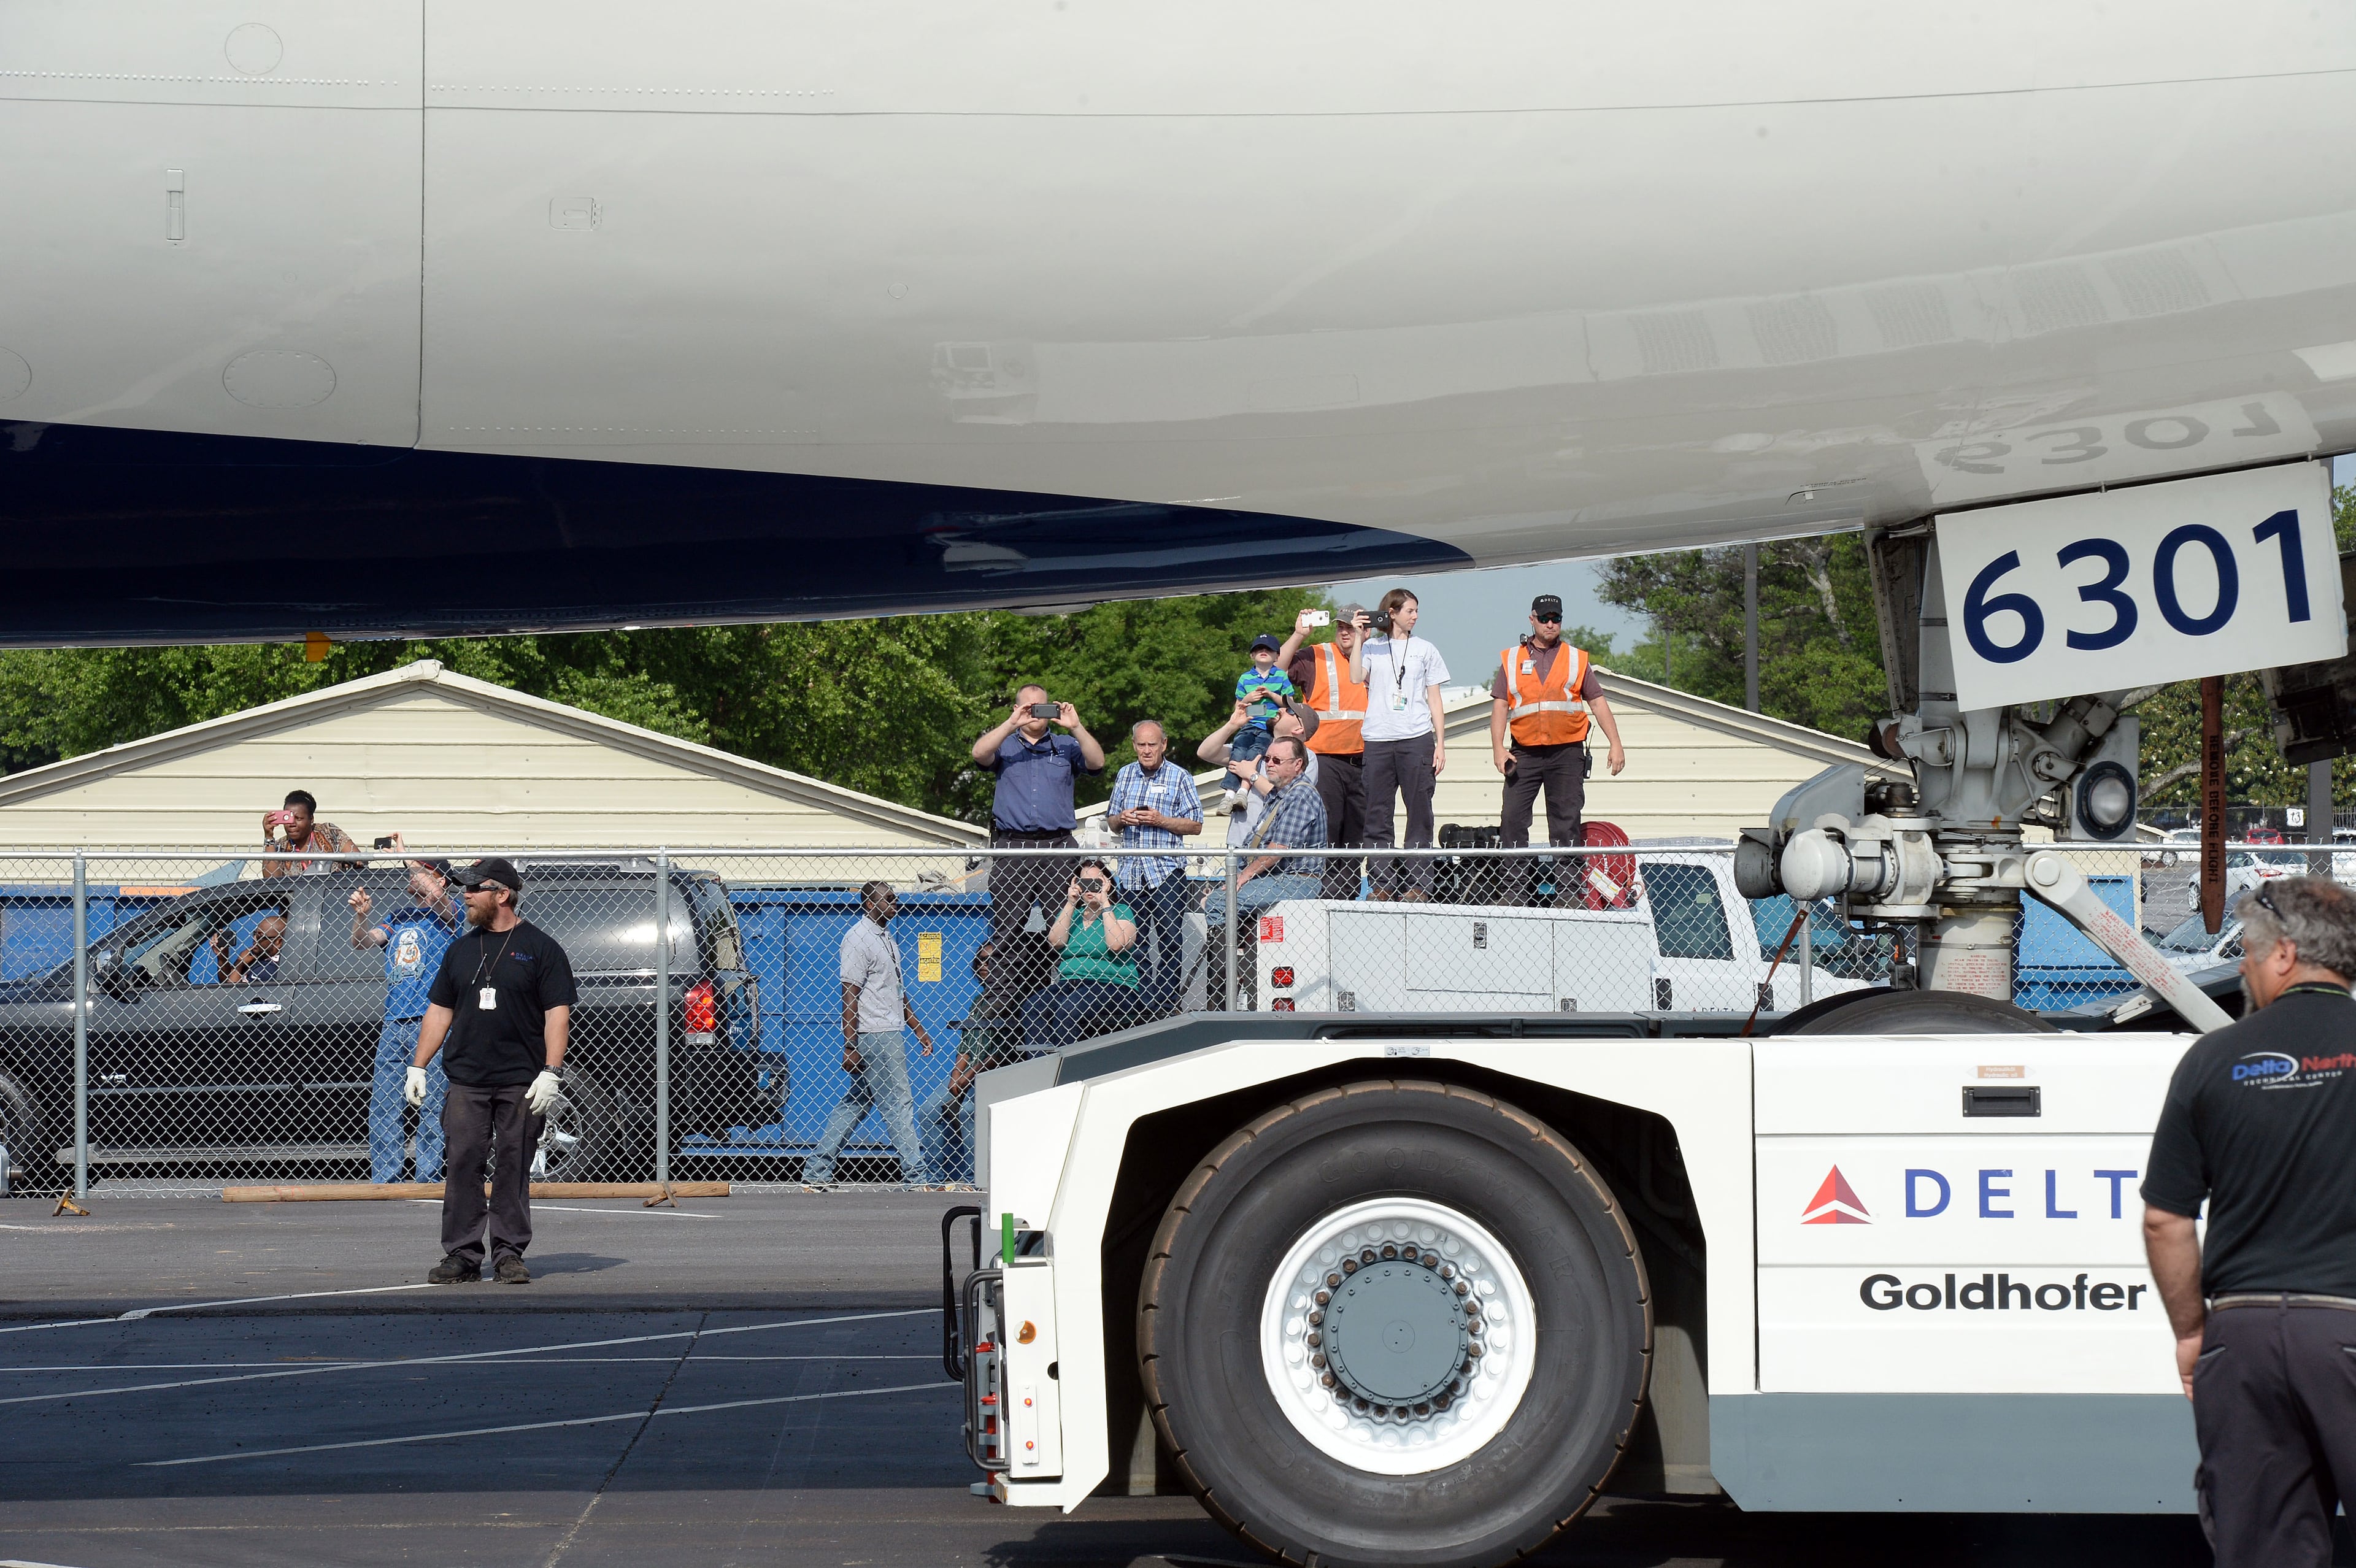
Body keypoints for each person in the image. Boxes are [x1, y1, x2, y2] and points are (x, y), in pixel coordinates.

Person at [2142, 877, 2356, 1567]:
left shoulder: (2209, 1060)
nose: (2243, 970)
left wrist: (2192, 1334)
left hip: (2245, 1339)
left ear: (2287, 956)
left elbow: (2165, 1221)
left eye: (2253, 955)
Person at [406, 858, 577, 1286]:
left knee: (513, 1164)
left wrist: (551, 1072)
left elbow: (557, 1014)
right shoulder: (461, 950)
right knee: (463, 1161)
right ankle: (462, 1255)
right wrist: (418, 1065)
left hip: (522, 1079)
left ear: (502, 894)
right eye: (463, 888)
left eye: (474, 888)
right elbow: (439, 1010)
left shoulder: (541, 949)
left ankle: (508, 1254)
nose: (465, 895)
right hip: (467, 1079)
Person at [971, 687, 1104, 1013]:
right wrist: (1011, 723)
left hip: (1058, 846)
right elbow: (978, 754)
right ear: (1017, 708)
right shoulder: (1004, 744)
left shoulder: (1066, 745)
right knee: (1006, 928)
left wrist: (1075, 725)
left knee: (1065, 924)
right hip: (1011, 846)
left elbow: (1098, 762)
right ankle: (1000, 1003)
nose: (1034, 713)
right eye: (1027, 707)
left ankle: (1069, 998)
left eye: (1039, 706)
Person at [1490, 593, 1628, 901]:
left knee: (1565, 821)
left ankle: (1568, 891)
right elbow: (1500, 707)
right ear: (1532, 620)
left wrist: (1615, 744)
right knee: (1513, 820)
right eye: (1545, 618)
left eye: (1556, 619)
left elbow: (1598, 703)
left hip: (1567, 753)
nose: (1551, 624)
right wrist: (1498, 748)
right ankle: (1514, 891)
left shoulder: (1577, 659)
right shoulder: (1512, 659)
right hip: (1523, 752)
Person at [804, 880, 936, 1189]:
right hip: (876, 1033)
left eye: (895, 898)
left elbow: (896, 990)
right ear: (869, 904)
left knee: (857, 1102)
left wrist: (918, 1029)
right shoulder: (858, 939)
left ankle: (816, 1172)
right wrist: (850, 1045)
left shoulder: (886, 937)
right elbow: (849, 993)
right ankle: (916, 1177)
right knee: (898, 1103)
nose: (895, 903)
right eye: (888, 899)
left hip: (890, 1028)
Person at [352, 842, 464, 1183]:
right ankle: (386, 1177)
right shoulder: (396, 917)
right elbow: (361, 942)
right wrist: (361, 918)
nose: (410, 876)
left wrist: (406, 857)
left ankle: (428, 1176)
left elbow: (442, 902)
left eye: (420, 872)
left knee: (432, 1104)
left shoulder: (451, 914)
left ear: (440, 880)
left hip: (432, 1020)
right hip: (395, 1020)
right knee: (385, 1103)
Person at [1348, 589, 1449, 900]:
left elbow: (1434, 698)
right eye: (1409, 611)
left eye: (1416, 611)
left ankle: (1419, 884)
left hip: (1416, 738)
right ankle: (1382, 883)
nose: (1415, 616)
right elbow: (1355, 678)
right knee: (1377, 813)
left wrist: (1440, 743)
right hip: (1378, 739)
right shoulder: (1372, 648)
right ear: (1391, 613)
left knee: (1419, 811)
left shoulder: (1425, 649)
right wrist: (1357, 637)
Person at [1105, 720, 1203, 1013]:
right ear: (1133, 745)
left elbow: (1196, 824)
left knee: (1171, 942)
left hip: (1166, 872)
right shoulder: (1124, 774)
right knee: (1134, 944)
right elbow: (1111, 821)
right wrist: (1123, 818)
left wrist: (1161, 820)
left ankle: (1168, 1004)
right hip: (1131, 874)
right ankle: (1143, 1005)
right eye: (1141, 745)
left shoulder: (1180, 776)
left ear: (1164, 745)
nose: (1146, 750)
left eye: (1152, 744)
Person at [919, 942, 1022, 1187]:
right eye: (982, 962)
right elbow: (966, 1045)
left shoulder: (1012, 999)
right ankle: (935, 1178)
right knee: (928, 1112)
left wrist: (968, 1076)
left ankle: (972, 1178)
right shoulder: (979, 1001)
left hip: (992, 1075)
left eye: (993, 961)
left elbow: (1002, 1052)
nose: (986, 967)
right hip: (968, 1075)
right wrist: (956, 1073)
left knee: (967, 1112)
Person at [1201, 737, 1328, 931]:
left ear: (1298, 764)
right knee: (1217, 897)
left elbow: (1276, 850)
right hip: (1274, 878)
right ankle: (1240, 950)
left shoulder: (1301, 795)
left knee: (1218, 902)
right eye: (1267, 759)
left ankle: (1227, 960)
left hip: (1297, 881)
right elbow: (1255, 842)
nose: (1269, 764)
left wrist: (1243, 877)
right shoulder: (1279, 795)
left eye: (1277, 760)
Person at [1021, 858, 1141, 1051]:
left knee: (1068, 1010)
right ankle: (1042, 1067)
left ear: (1108, 884)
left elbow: (1116, 945)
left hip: (1112, 985)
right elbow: (1055, 941)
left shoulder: (1120, 911)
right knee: (1033, 1008)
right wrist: (1070, 902)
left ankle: (1067, 1066)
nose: (1091, 889)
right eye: (1085, 883)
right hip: (1071, 983)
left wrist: (1105, 904)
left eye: (1097, 883)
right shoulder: (1074, 915)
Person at [1293, 602, 1369, 900]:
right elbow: (1277, 668)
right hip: (1325, 759)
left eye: (1351, 627)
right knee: (1327, 828)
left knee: (1357, 835)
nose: (1344, 631)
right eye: (1341, 626)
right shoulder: (1318, 654)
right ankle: (1323, 897)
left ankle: (1346, 897)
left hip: (1365, 760)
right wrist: (1299, 634)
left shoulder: (1376, 655)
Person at [1200, 702, 1319, 846]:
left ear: (1299, 728)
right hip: (1238, 844)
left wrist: (1251, 774)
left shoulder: (1307, 758)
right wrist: (1232, 725)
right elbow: (1205, 752)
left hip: (1275, 847)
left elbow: (1292, 798)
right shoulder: (1253, 745)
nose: (1280, 709)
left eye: (1289, 710)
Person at [260, 790, 360, 878]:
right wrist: (269, 837)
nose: (292, 824)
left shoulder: (329, 832)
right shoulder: (280, 846)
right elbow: (271, 881)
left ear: (311, 819)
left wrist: (350, 862)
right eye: (288, 819)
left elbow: (358, 858)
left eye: (299, 819)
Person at [212, 913, 287, 984]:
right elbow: (226, 980)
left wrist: (239, 964)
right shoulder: (255, 957)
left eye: (260, 936)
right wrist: (222, 957)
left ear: (278, 942)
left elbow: (231, 992)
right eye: (255, 934)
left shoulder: (270, 968)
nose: (254, 939)